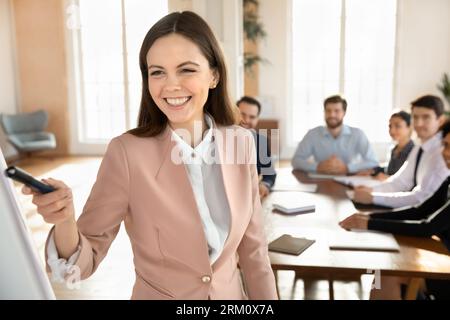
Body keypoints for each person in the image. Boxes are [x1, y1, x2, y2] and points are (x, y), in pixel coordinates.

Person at [22, 11, 278, 300]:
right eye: (157, 72)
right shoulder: (127, 153)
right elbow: (81, 265)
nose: (171, 85)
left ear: (214, 75)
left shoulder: (241, 143)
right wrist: (65, 220)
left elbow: (255, 253)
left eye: (187, 69)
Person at [339, 119, 450, 300]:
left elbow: (428, 226)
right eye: (445, 145)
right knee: (382, 272)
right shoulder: (449, 181)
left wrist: (370, 223)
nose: (445, 153)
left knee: (386, 276)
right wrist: (369, 217)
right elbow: (419, 210)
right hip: (442, 260)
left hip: (444, 269)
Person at [352, 95, 448, 208]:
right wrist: (371, 190)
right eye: (415, 117)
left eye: (426, 117)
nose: (418, 124)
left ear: (440, 121)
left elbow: (422, 197)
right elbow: (401, 182)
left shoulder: (443, 152)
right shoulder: (419, 148)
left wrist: (373, 197)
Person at [291, 95, 378, 175]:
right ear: (324, 112)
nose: (332, 115)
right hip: (320, 180)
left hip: (350, 180)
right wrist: (318, 167)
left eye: (336, 111)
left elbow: (373, 162)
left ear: (344, 112)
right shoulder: (312, 134)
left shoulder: (358, 134)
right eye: (328, 111)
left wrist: (347, 168)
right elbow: (296, 161)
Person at [237, 96, 277, 199]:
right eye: (242, 114)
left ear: (257, 119)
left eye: (252, 117)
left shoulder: (261, 141)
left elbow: (269, 174)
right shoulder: (218, 138)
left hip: (249, 198)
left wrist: (264, 184)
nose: (246, 120)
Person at [363, 111, 414, 180]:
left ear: (409, 127)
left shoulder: (414, 151)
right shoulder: (394, 149)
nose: (392, 131)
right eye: (390, 126)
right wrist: (372, 171)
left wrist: (388, 178)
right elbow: (390, 171)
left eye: (397, 126)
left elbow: (411, 181)